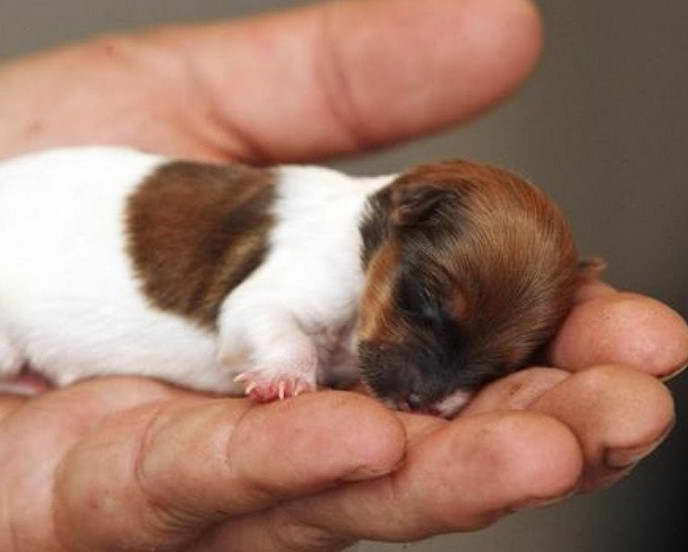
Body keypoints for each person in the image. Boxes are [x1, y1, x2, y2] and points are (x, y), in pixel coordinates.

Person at [0, 0, 685, 550]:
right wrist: (287, 362)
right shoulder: (316, 240)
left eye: (480, 371)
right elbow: (252, 315)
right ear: (403, 212)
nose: (432, 390)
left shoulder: (399, 262)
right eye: (425, 305)